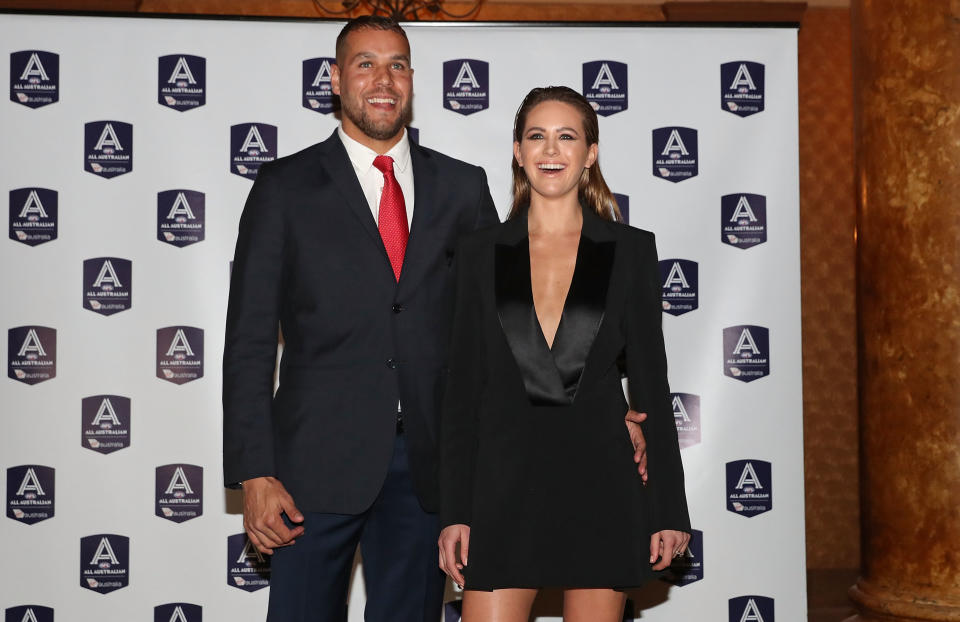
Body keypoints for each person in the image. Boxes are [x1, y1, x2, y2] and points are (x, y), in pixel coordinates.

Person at [221, 16, 504, 622]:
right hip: (308, 470)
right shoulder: (283, 186)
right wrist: (255, 473)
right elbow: (247, 339)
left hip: (429, 469)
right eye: (365, 63)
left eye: (398, 65)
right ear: (335, 80)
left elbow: (500, 331)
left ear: (412, 81)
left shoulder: (463, 188)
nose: (384, 80)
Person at [437, 86, 691, 622]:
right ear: (516, 149)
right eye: (537, 136)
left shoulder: (630, 251)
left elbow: (651, 385)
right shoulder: (480, 252)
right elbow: (461, 391)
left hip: (599, 481)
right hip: (501, 485)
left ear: (590, 154)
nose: (550, 150)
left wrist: (668, 509)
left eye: (566, 136)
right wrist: (455, 511)